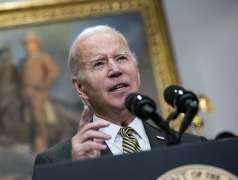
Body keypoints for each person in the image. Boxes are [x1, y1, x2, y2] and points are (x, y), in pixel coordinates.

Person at [33, 25, 206, 167]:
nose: (115, 70)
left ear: (136, 73)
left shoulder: (193, 147)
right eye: (99, 63)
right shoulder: (55, 163)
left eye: (121, 58)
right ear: (80, 87)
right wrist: (79, 173)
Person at [20, 32, 60, 152]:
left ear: (37, 45)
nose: (28, 46)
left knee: (38, 117)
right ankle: (31, 143)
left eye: (31, 44)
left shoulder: (43, 57)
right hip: (24, 92)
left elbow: (54, 71)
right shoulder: (23, 61)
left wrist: (43, 85)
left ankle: (42, 143)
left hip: (38, 93)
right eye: (26, 44)